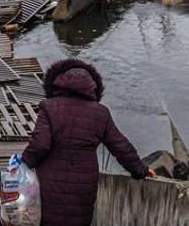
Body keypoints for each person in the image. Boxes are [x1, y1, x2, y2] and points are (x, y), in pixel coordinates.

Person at [21, 58, 154, 226]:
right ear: (93, 87)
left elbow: (40, 144)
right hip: (83, 187)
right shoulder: (101, 113)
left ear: (56, 84)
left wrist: (23, 164)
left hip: (49, 184)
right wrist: (140, 170)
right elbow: (120, 146)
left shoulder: (49, 107)